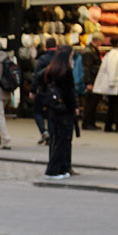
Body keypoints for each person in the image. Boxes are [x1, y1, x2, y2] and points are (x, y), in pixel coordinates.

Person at [39, 46, 78, 179]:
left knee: (58, 138)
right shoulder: (65, 72)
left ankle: (61, 168)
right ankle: (53, 170)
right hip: (64, 109)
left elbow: (40, 82)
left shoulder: (50, 70)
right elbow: (69, 93)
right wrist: (74, 107)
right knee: (62, 140)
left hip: (53, 108)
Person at [93, 34, 118, 133]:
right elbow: (112, 68)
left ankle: (109, 126)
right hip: (114, 85)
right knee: (117, 106)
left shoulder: (116, 53)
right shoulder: (115, 54)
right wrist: (113, 81)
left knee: (113, 106)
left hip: (115, 84)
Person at [31, 38, 57, 145]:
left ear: (46, 46)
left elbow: (37, 75)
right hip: (56, 90)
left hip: (43, 89)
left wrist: (33, 89)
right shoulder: (59, 58)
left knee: (37, 111)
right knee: (51, 114)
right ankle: (50, 135)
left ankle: (44, 131)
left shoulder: (43, 59)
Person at [81, 33, 104, 130]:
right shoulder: (89, 52)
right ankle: (87, 123)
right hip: (92, 80)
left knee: (94, 103)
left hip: (95, 80)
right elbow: (86, 68)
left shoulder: (93, 50)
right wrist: (88, 83)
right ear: (97, 41)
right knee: (90, 103)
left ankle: (91, 122)